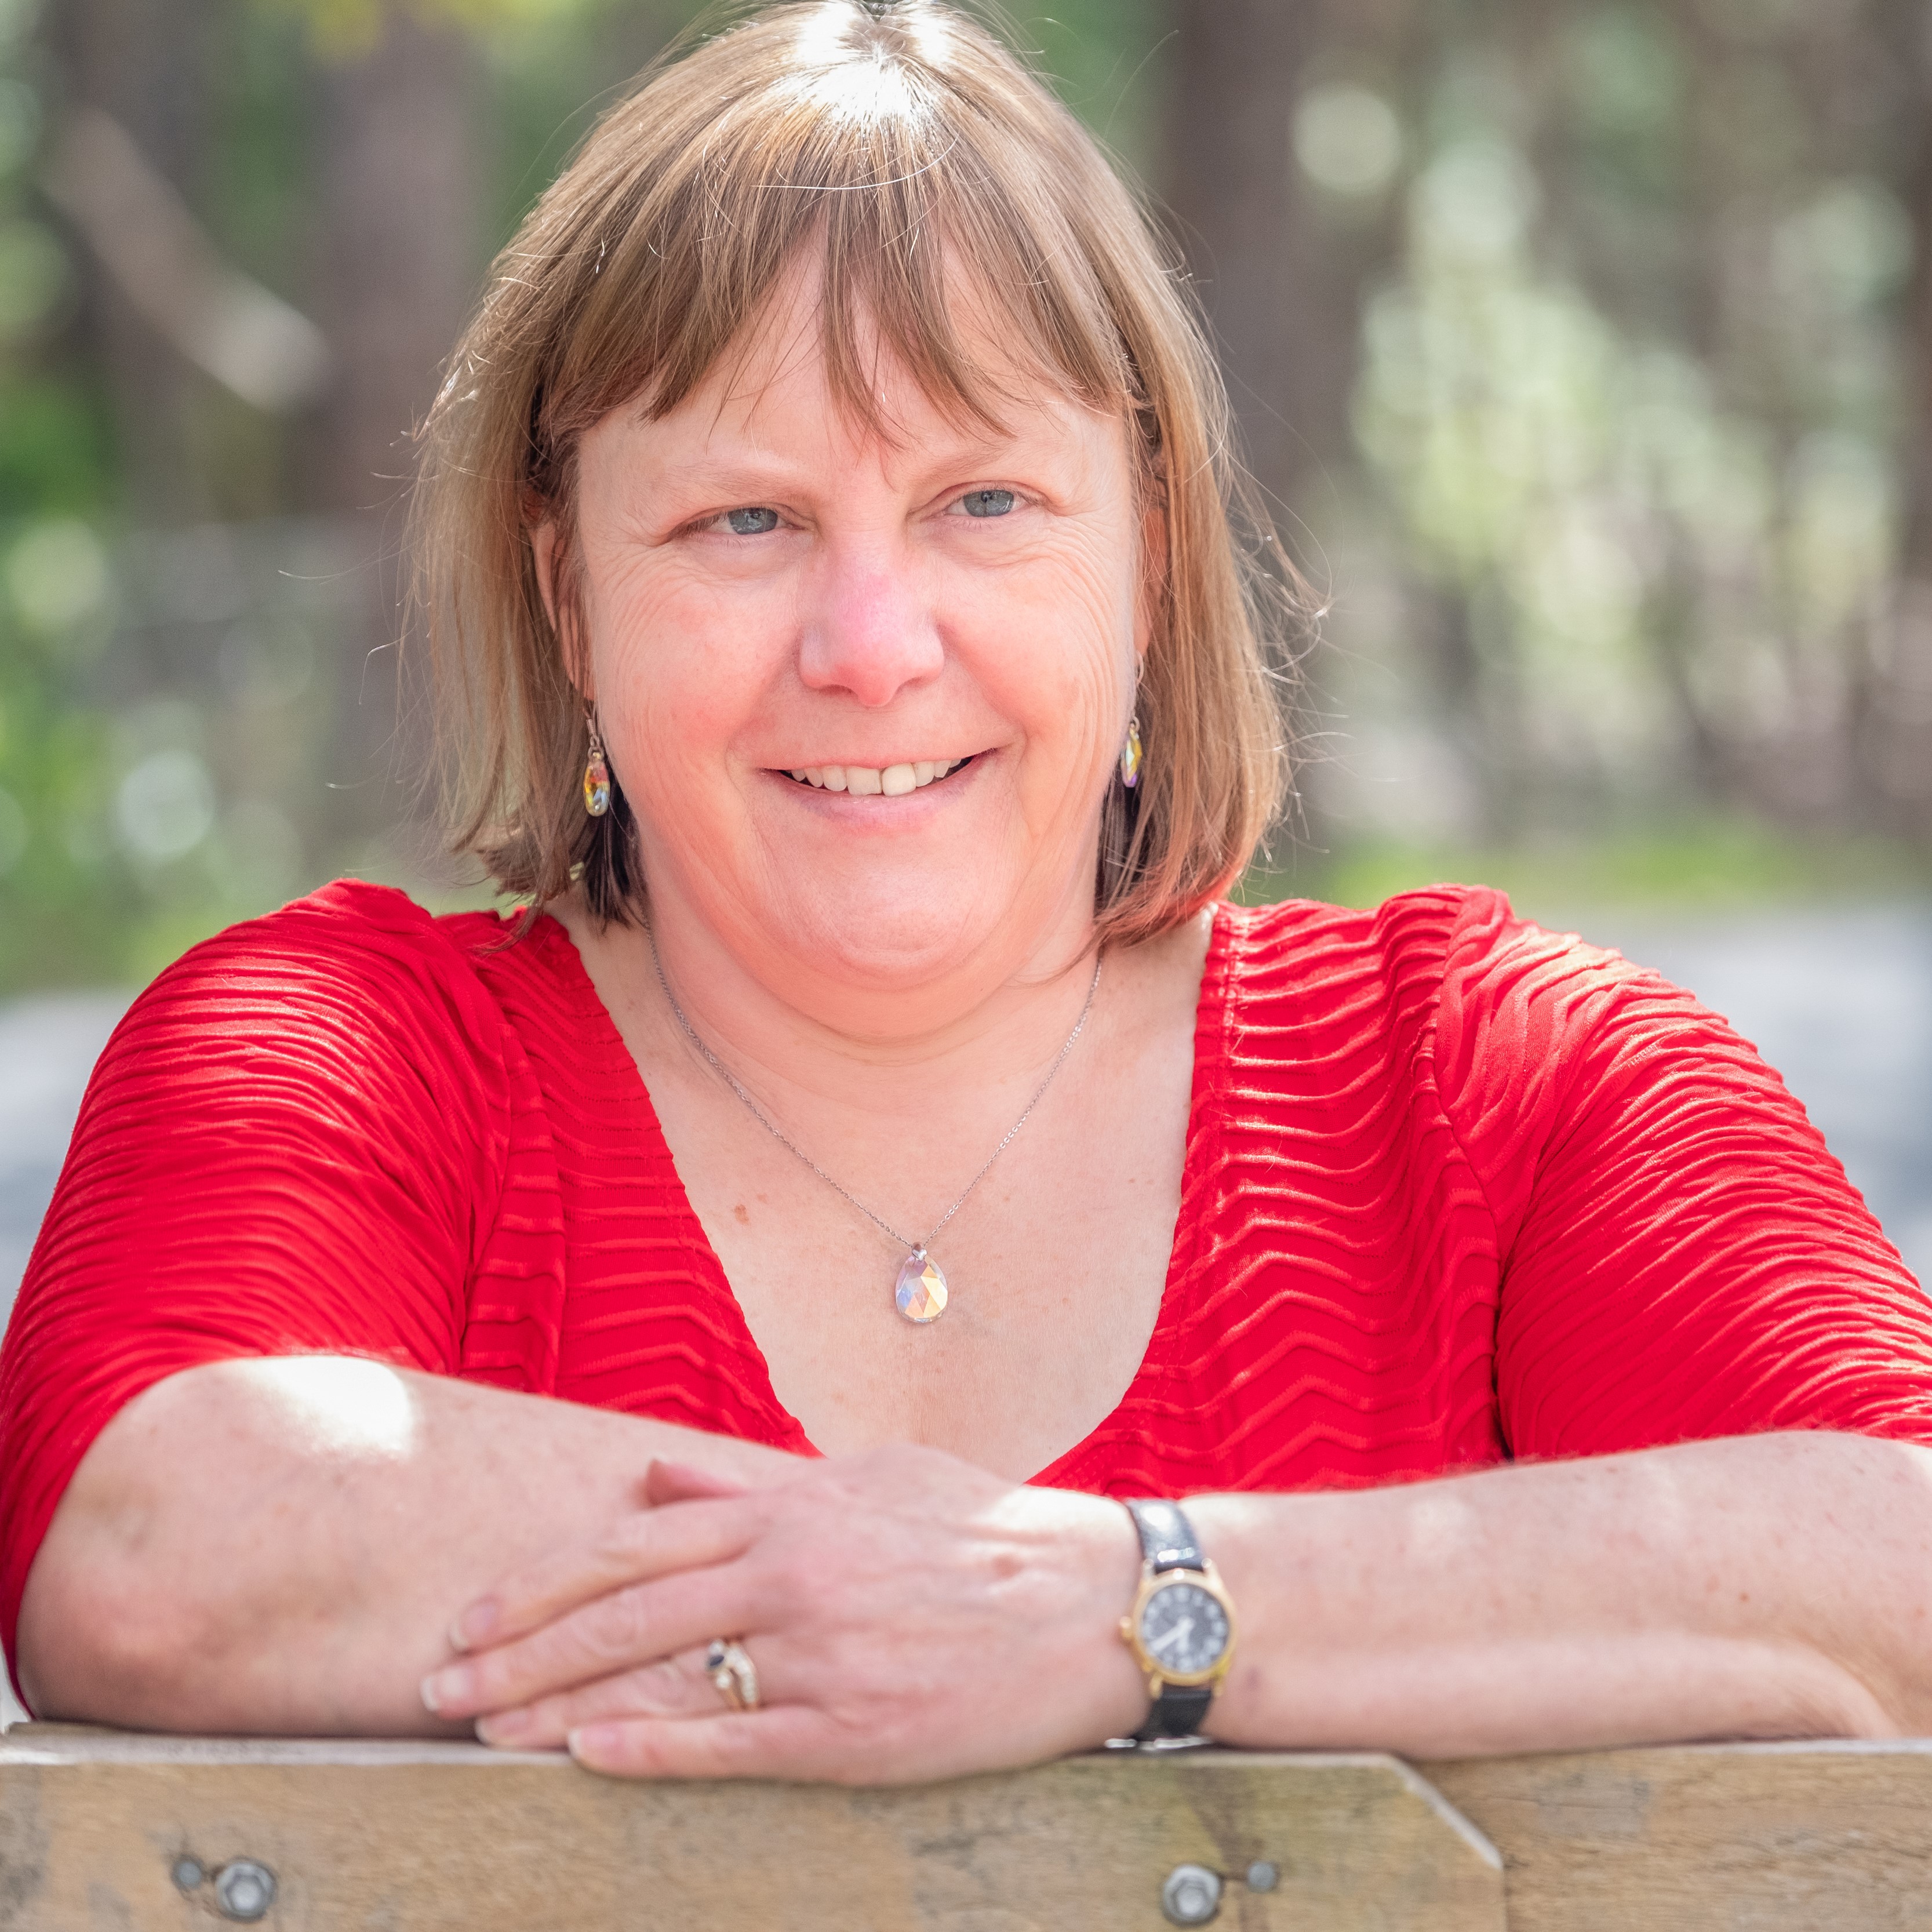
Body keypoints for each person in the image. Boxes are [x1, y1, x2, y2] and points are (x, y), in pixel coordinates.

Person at [6, 0, 1932, 1785]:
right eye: (741, 519)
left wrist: (1125, 1603)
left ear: (1151, 560)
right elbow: (160, 1535)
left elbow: (1900, 1564)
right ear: (564, 590)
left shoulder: (1497, 1083)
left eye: (983, 505)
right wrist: (886, 1591)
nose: (870, 643)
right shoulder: (339, 1049)